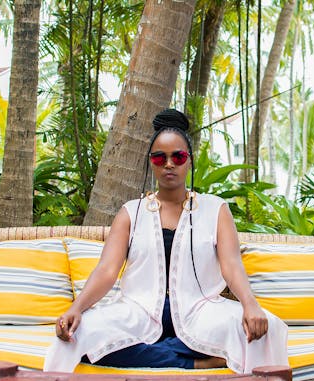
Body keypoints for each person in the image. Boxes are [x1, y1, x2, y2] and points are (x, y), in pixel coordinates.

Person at [44, 109, 288, 373]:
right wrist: (77, 308)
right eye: (160, 157)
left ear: (189, 161)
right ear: (151, 162)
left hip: (200, 308)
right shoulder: (131, 212)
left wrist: (250, 305)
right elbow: (106, 270)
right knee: (76, 336)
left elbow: (231, 265)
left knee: (268, 329)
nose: (169, 164)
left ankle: (158, 352)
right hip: (140, 308)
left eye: (178, 156)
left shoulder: (215, 209)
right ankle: (193, 361)